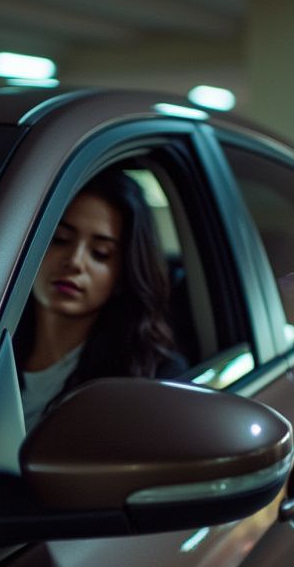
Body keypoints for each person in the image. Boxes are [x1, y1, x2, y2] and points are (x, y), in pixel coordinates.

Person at [15, 167, 186, 430]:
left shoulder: (150, 378)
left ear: (122, 275)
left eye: (100, 253)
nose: (74, 262)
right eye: (60, 240)